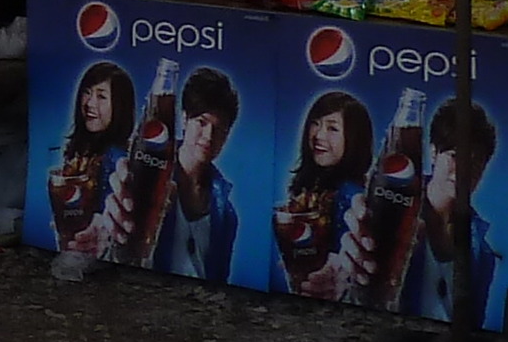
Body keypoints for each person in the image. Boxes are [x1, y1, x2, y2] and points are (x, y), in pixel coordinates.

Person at [399, 97, 504, 329]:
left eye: (476, 162)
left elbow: (475, 324)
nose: (465, 170)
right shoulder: (398, 208)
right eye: (456, 156)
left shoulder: (482, 252)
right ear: (434, 152)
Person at [264, 88, 378, 297]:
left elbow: (344, 264)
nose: (319, 135)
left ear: (354, 139)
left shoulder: (351, 195)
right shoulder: (310, 188)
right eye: (315, 123)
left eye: (332, 128)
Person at [146, 66, 243, 282]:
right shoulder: (152, 172)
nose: (209, 136)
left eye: (220, 130)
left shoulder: (226, 214)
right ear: (184, 119)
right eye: (202, 122)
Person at [42, 61, 136, 255]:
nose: (89, 104)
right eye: (86, 92)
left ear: (120, 106)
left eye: (101, 96)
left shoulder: (117, 159)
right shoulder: (79, 150)